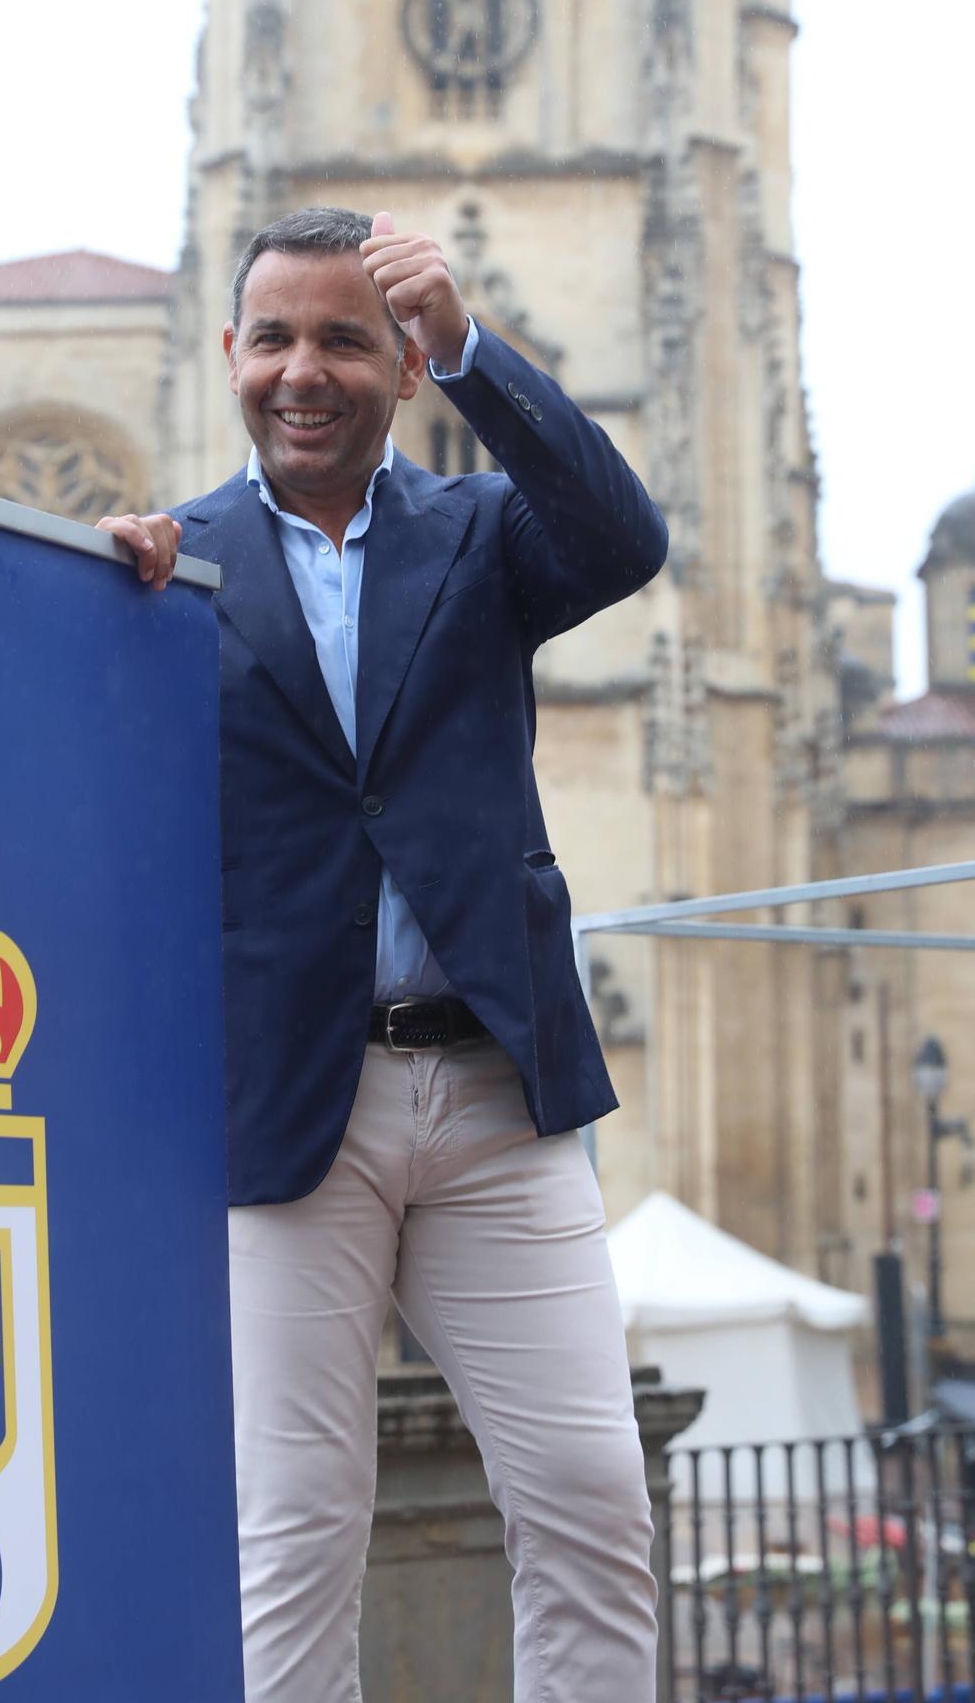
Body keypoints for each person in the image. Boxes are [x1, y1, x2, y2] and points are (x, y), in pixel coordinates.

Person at [100, 206, 667, 1703]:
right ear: (230, 356)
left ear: (400, 365)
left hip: (495, 1095)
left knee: (593, 1500)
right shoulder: (167, 572)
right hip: (296, 1105)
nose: (305, 370)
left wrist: (476, 346)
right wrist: (92, 605)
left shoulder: (479, 538)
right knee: (290, 1536)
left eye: (346, 339)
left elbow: (625, 536)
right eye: (275, 338)